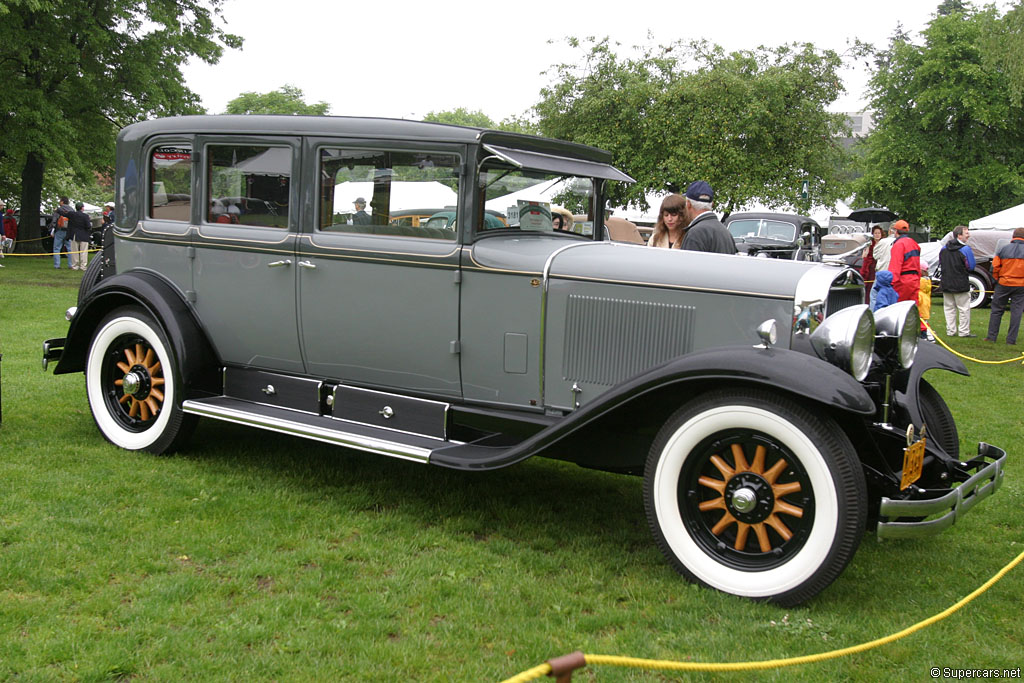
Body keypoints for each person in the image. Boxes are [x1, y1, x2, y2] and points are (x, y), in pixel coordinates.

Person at [983, 227, 1024, 345]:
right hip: (1021, 285)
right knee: (1017, 312)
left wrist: (998, 279)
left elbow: (995, 267)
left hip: (1004, 283)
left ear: (1013, 236)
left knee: (996, 310)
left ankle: (991, 337)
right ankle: (1011, 340)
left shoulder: (1003, 249)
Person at [678, 181, 737, 254]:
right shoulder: (725, 232)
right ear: (712, 204)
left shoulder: (695, 233)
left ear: (688, 204)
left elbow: (689, 264)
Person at [938, 225, 976, 337]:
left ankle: (951, 331)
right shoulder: (965, 249)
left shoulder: (944, 249)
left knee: (949, 308)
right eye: (966, 233)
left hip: (946, 281)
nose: (968, 235)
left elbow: (941, 262)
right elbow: (971, 266)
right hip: (960, 282)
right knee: (963, 308)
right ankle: (964, 332)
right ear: (959, 235)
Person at [886, 220, 920, 303]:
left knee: (898, 308)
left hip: (902, 281)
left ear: (896, 231)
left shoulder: (899, 244)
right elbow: (917, 264)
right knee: (912, 309)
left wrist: (891, 283)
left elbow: (895, 266)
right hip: (914, 280)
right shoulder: (914, 243)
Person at [861, 225, 884, 305]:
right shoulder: (869, 245)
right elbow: (864, 257)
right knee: (870, 289)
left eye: (879, 233)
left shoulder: (884, 244)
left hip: (881, 267)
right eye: (875, 233)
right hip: (871, 269)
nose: (877, 235)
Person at [66, 201, 93, 271]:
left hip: (74, 234)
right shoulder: (85, 216)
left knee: (74, 251)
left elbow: (63, 213)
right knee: (83, 251)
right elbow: (88, 226)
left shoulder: (72, 214)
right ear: (82, 208)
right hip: (84, 235)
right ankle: (83, 266)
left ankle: (75, 266)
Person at [50, 197, 75, 269]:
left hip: (59, 230)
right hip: (68, 231)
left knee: (57, 248)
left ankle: (57, 265)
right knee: (70, 248)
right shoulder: (72, 210)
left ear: (62, 202)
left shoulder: (59, 210)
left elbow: (54, 221)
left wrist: (53, 230)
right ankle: (71, 265)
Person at [917, 258, 934, 341]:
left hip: (921, 310)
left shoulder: (920, 285)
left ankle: (926, 338)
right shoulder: (927, 282)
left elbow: (918, 300)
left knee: (922, 326)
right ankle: (930, 336)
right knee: (925, 324)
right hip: (926, 309)